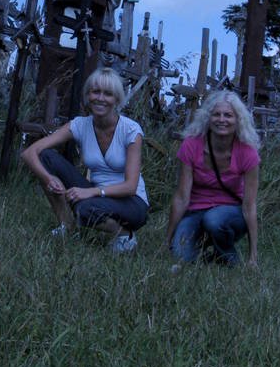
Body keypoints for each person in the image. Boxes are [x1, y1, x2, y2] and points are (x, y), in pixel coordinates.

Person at [21, 67, 148, 253]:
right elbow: (29, 153)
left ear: (116, 99)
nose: (100, 98)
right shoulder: (80, 125)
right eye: (95, 92)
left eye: (108, 94)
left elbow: (130, 187)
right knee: (46, 157)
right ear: (88, 95)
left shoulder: (130, 130)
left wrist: (91, 192)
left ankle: (124, 234)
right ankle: (67, 226)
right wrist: (49, 179)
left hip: (131, 201)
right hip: (96, 194)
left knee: (84, 209)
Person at [166, 90, 260, 267]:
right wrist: (167, 241)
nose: (221, 120)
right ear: (207, 118)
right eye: (216, 114)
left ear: (238, 120)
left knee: (214, 220)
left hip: (231, 213)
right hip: (196, 211)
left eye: (228, 115)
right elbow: (181, 197)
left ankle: (230, 259)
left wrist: (253, 256)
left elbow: (249, 206)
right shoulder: (191, 145)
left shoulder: (248, 152)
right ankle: (212, 256)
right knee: (180, 255)